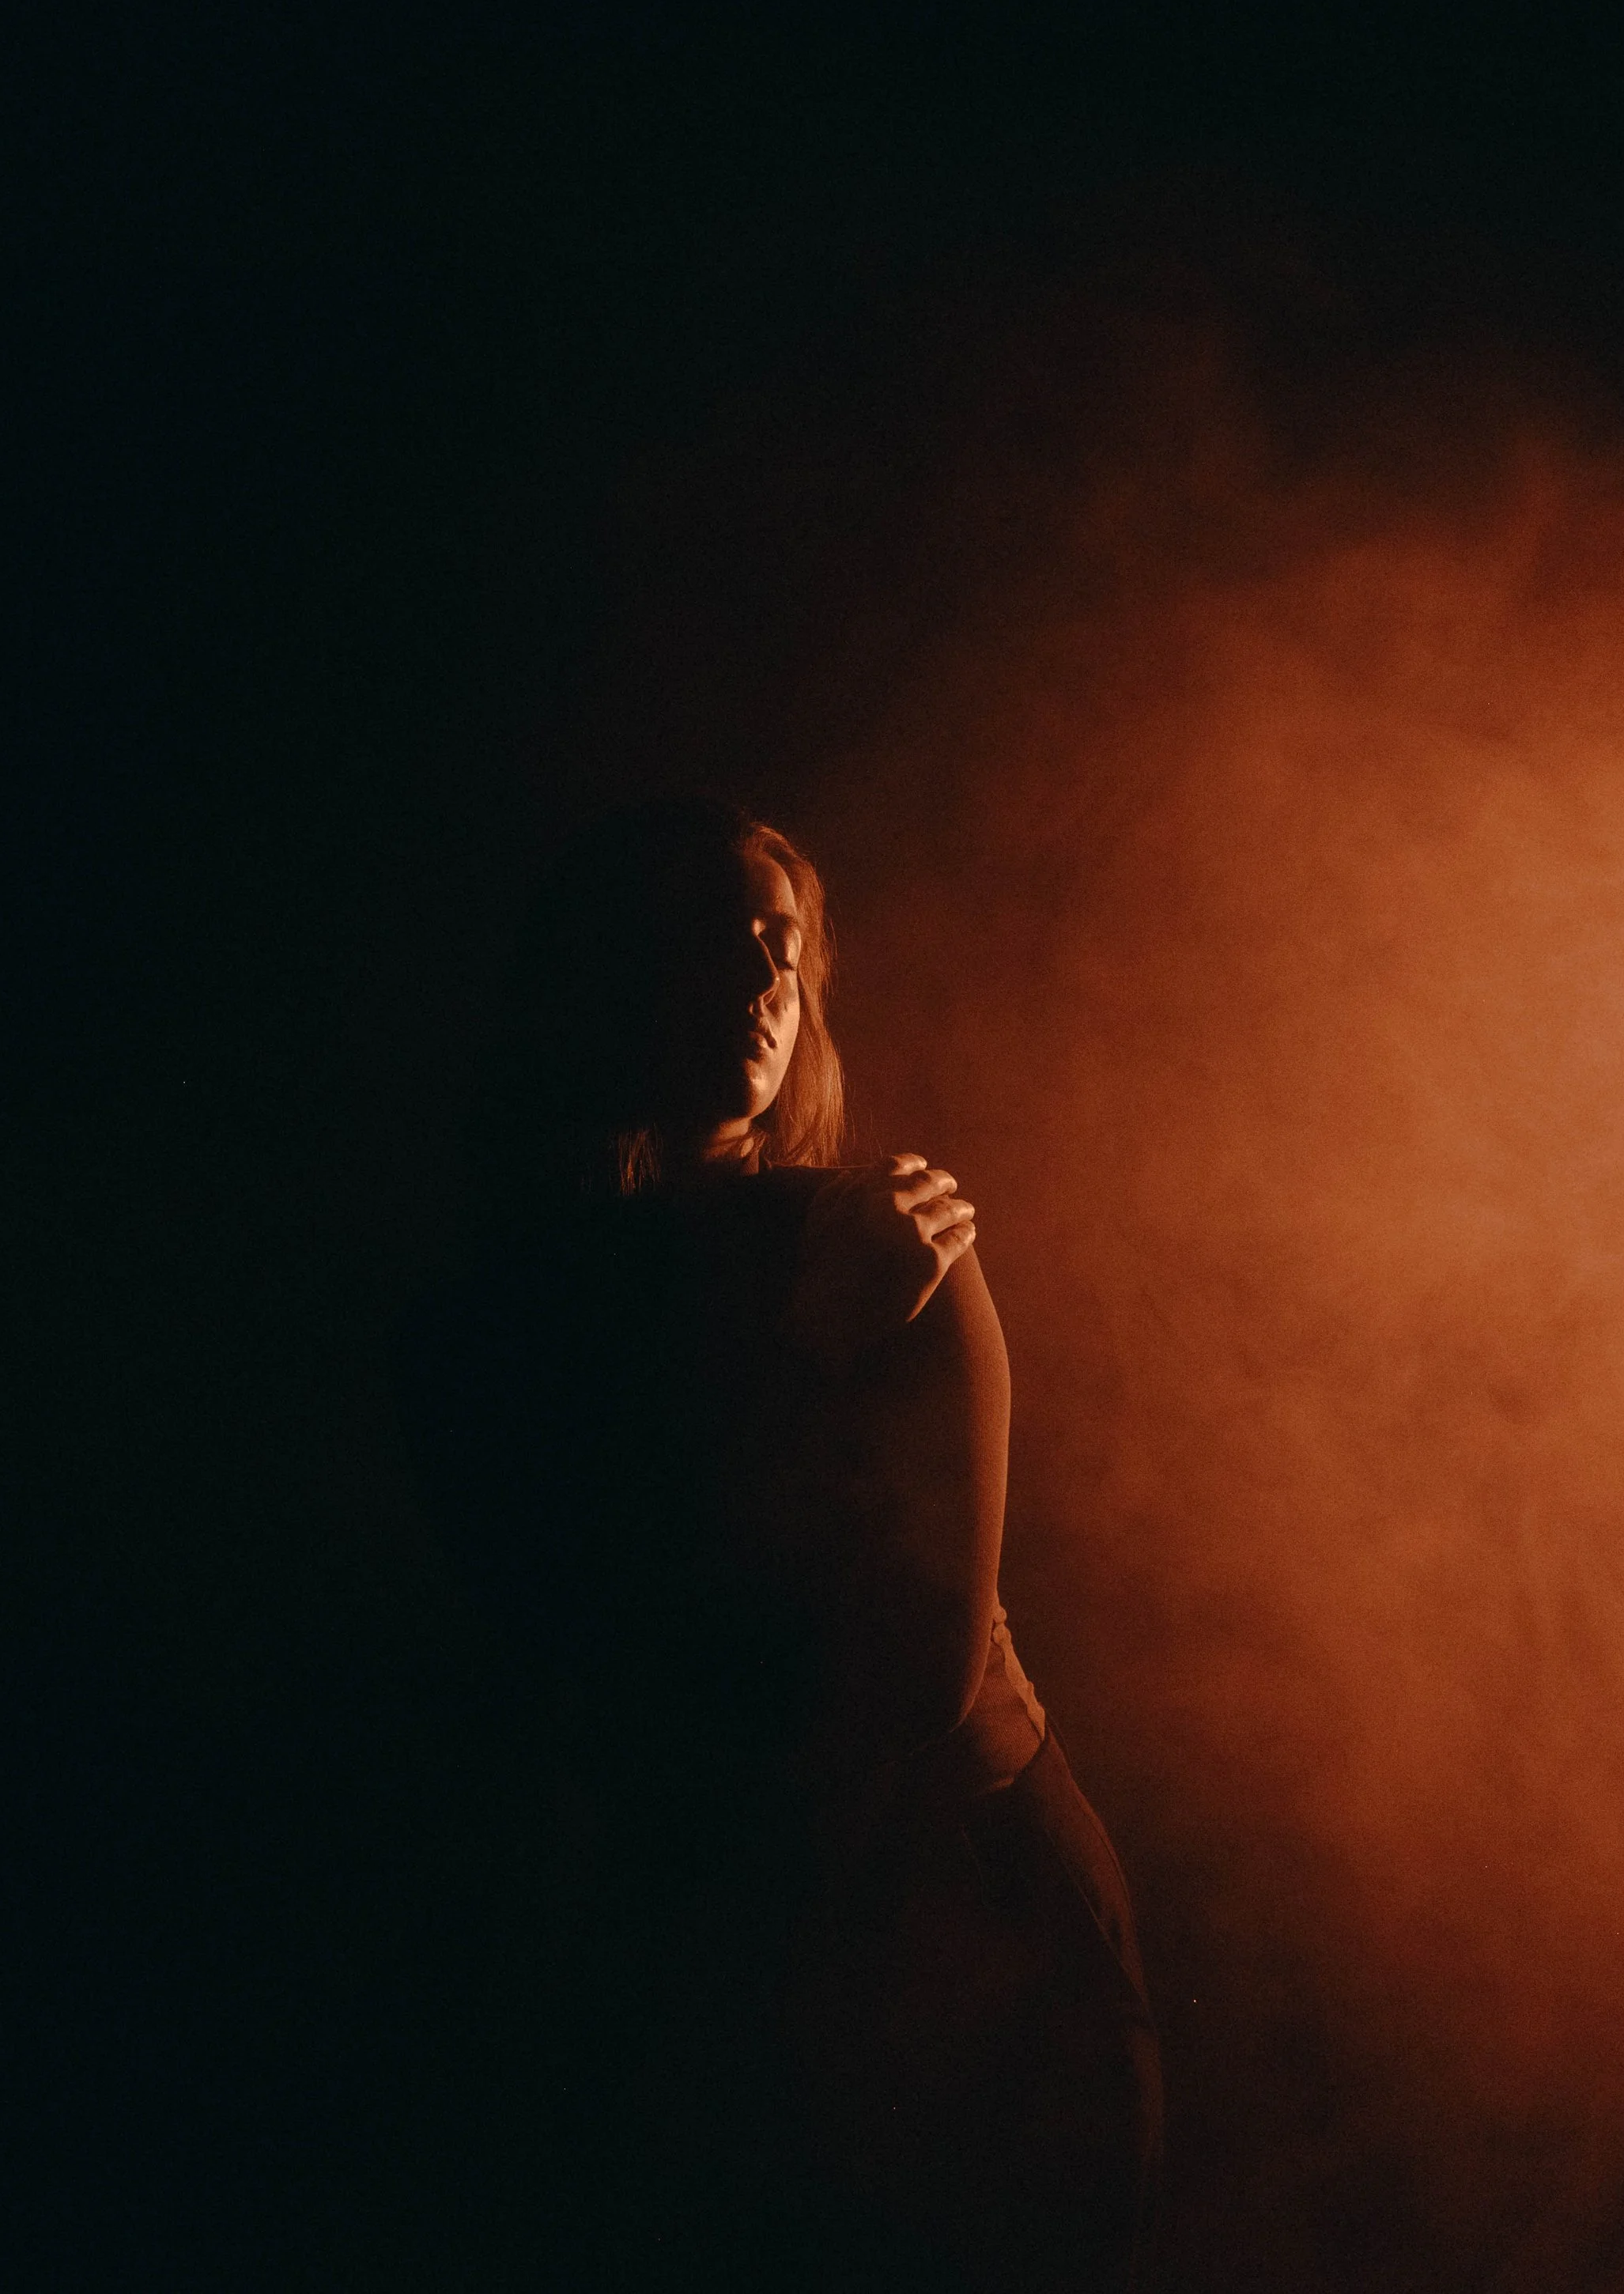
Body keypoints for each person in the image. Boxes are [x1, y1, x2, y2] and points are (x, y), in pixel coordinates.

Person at [396, 798, 1161, 2292]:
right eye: (714, 941)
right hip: (710, 1985)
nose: (763, 982)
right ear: (605, 975)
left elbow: (899, 1691)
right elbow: (562, 1651)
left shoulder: (883, 1239)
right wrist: (798, 1356)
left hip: (958, 1956)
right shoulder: (483, 1327)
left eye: (784, 949)